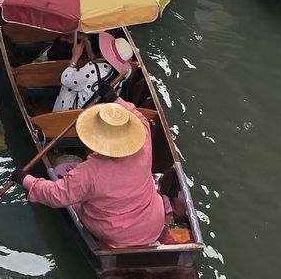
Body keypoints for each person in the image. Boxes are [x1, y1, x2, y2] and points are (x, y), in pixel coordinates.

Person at [16, 98, 168, 249]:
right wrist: (115, 99)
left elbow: (55, 194)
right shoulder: (144, 141)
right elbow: (140, 118)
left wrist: (26, 180)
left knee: (74, 199)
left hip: (115, 234)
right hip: (154, 223)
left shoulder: (88, 172)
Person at [53, 34, 114, 111]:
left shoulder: (91, 68)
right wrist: (90, 53)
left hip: (71, 111)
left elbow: (66, 79)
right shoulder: (113, 70)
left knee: (66, 88)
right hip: (91, 109)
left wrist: (74, 58)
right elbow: (97, 69)